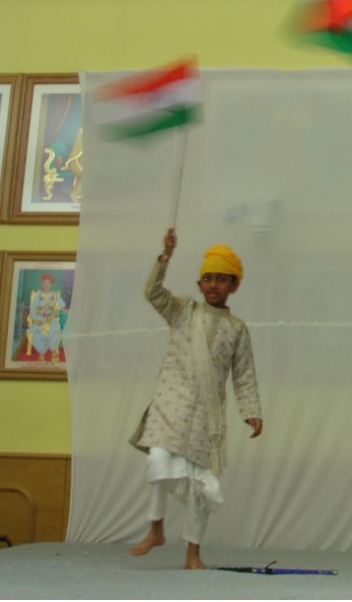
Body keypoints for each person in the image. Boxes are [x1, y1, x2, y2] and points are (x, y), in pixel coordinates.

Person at [129, 229, 263, 570]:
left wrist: (251, 411)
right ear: (199, 284)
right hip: (170, 405)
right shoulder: (183, 311)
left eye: (222, 279)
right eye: (208, 278)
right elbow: (152, 293)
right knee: (157, 461)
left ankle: (193, 554)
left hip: (206, 417)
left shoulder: (236, 328)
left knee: (202, 491)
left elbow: (244, 374)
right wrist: (166, 256)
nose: (214, 284)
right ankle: (156, 528)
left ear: (234, 285)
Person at [25, 273, 66, 362]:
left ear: (51, 284)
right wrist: (36, 319)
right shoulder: (38, 295)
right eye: (44, 283)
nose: (46, 285)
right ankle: (41, 353)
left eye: (48, 283)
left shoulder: (55, 295)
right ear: (42, 284)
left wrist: (57, 310)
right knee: (36, 335)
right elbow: (32, 309)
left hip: (52, 320)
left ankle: (53, 350)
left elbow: (62, 305)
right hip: (40, 320)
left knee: (54, 334)